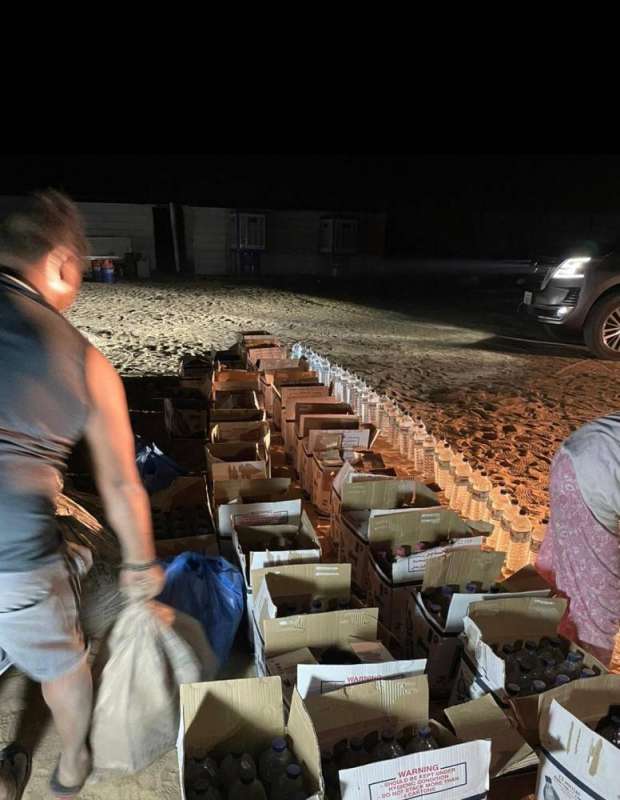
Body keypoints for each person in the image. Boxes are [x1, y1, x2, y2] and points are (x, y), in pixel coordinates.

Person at [0, 191, 165, 799]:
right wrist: (142, 567)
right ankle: (72, 764)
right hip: (12, 553)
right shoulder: (82, 359)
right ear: (62, 263)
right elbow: (122, 483)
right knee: (65, 663)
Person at [537, 413, 620, 667]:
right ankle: (577, 680)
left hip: (579, 453)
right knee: (592, 610)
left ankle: (541, 638)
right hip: (596, 473)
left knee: (563, 572)